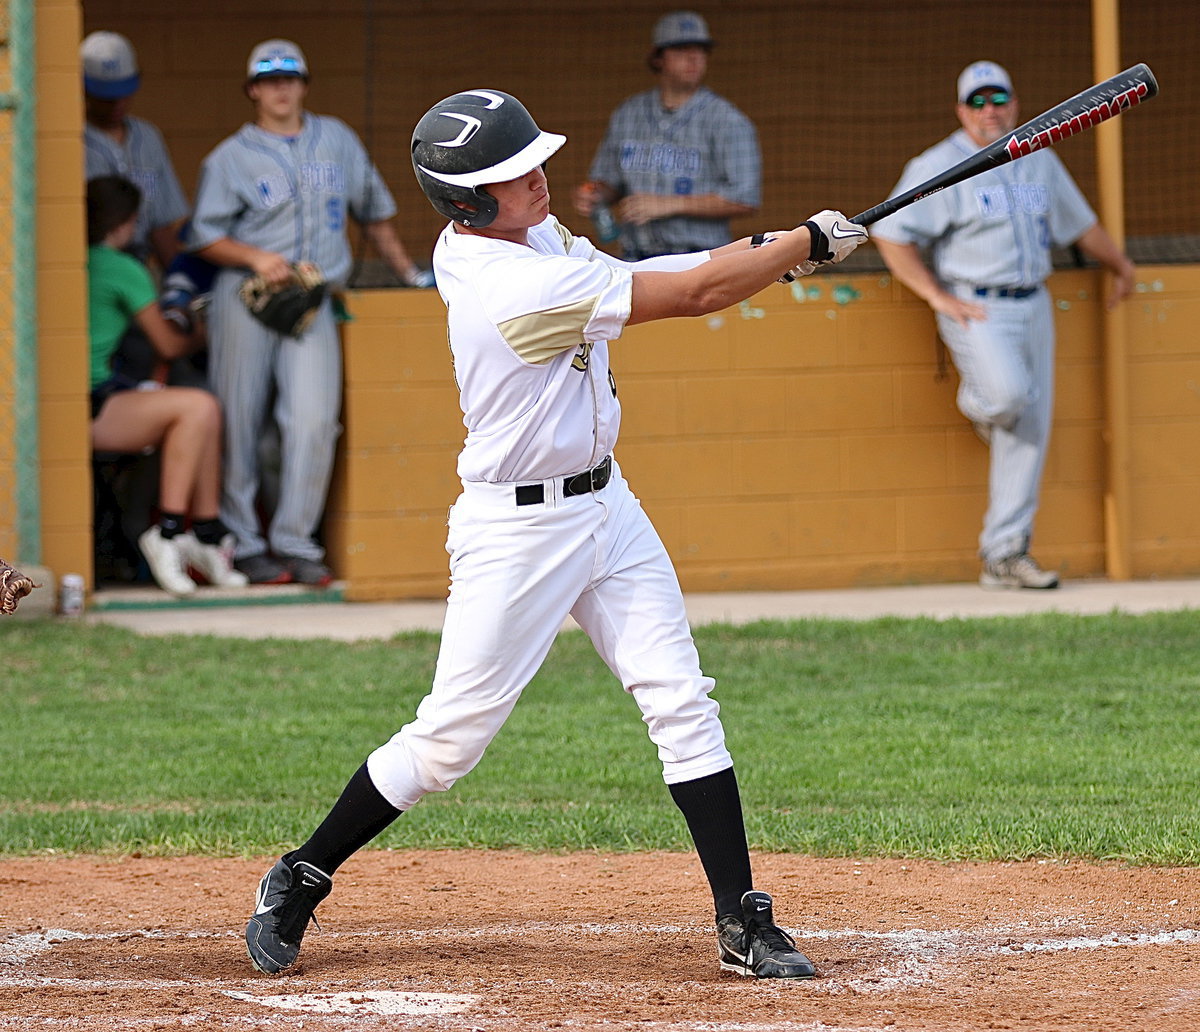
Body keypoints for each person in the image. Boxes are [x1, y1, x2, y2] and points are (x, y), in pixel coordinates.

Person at [242, 88, 867, 981]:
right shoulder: (511, 286)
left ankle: (742, 918)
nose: (538, 179)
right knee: (450, 739)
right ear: (465, 203)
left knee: (681, 699)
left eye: (531, 160)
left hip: (606, 508)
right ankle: (301, 876)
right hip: (515, 532)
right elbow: (688, 294)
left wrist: (773, 252)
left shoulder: (531, 237)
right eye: (511, 174)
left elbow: (666, 266)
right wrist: (799, 244)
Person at [872, 61, 1136, 590]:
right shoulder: (940, 163)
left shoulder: (1038, 155)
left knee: (1029, 430)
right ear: (961, 111)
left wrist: (1121, 265)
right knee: (1009, 399)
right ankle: (980, 406)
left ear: (1015, 104)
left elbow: (1078, 223)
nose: (989, 110)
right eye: (978, 102)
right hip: (977, 305)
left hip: (1033, 302)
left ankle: (1005, 554)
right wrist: (935, 296)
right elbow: (890, 230)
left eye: (999, 99)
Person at [188, 39, 430, 587]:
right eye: (269, 79)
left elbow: (376, 213)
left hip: (313, 297)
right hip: (246, 296)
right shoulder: (230, 156)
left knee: (314, 419)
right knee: (240, 419)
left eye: (291, 78)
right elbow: (202, 235)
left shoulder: (337, 139)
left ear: (303, 84)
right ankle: (244, 543)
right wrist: (253, 255)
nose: (281, 87)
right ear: (252, 89)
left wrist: (410, 276)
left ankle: (296, 541)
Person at [87, 175, 248, 597]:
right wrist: (207, 330)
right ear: (126, 222)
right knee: (195, 407)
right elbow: (167, 343)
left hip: (96, 396)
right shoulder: (122, 266)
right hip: (86, 406)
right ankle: (169, 532)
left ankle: (208, 535)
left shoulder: (77, 259)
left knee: (206, 409)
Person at [572, 10, 760, 260]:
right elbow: (609, 183)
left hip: (699, 258)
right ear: (658, 58)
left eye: (701, 49)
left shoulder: (728, 120)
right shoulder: (629, 113)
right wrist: (594, 194)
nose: (694, 58)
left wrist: (670, 204)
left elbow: (745, 198)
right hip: (635, 257)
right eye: (682, 49)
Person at [82, 32, 190, 270]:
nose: (117, 104)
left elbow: (161, 224)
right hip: (92, 267)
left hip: (140, 264)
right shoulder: (72, 141)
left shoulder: (148, 137)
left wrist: (179, 280)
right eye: (107, 97)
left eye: (123, 94)